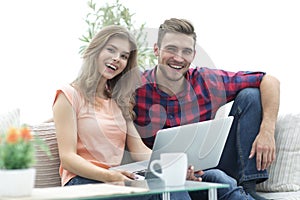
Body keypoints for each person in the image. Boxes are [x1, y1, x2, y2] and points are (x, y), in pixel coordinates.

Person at [133, 18, 280, 200]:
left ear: (193, 55)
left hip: (207, 167)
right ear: (156, 49)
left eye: (186, 51)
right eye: (171, 49)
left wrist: (267, 130)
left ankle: (247, 188)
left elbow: (269, 80)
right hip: (163, 176)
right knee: (215, 179)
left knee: (250, 95)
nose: (178, 58)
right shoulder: (135, 88)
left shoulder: (207, 81)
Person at [52, 25, 192, 200]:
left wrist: (174, 164)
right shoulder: (68, 95)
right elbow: (68, 158)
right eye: (111, 50)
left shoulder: (118, 101)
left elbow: (139, 149)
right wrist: (109, 176)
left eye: (124, 56)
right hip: (82, 183)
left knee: (172, 187)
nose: (117, 58)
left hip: (115, 179)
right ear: (95, 50)